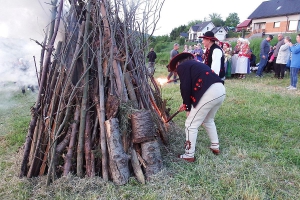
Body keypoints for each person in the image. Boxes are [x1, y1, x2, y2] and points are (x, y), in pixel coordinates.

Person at [168, 52, 226, 162]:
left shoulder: (182, 66)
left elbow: (185, 87)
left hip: (209, 93)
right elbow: (193, 85)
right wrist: (186, 103)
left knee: (190, 125)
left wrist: (188, 107)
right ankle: (215, 146)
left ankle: (189, 154)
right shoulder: (196, 65)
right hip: (220, 90)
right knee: (208, 120)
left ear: (178, 64)